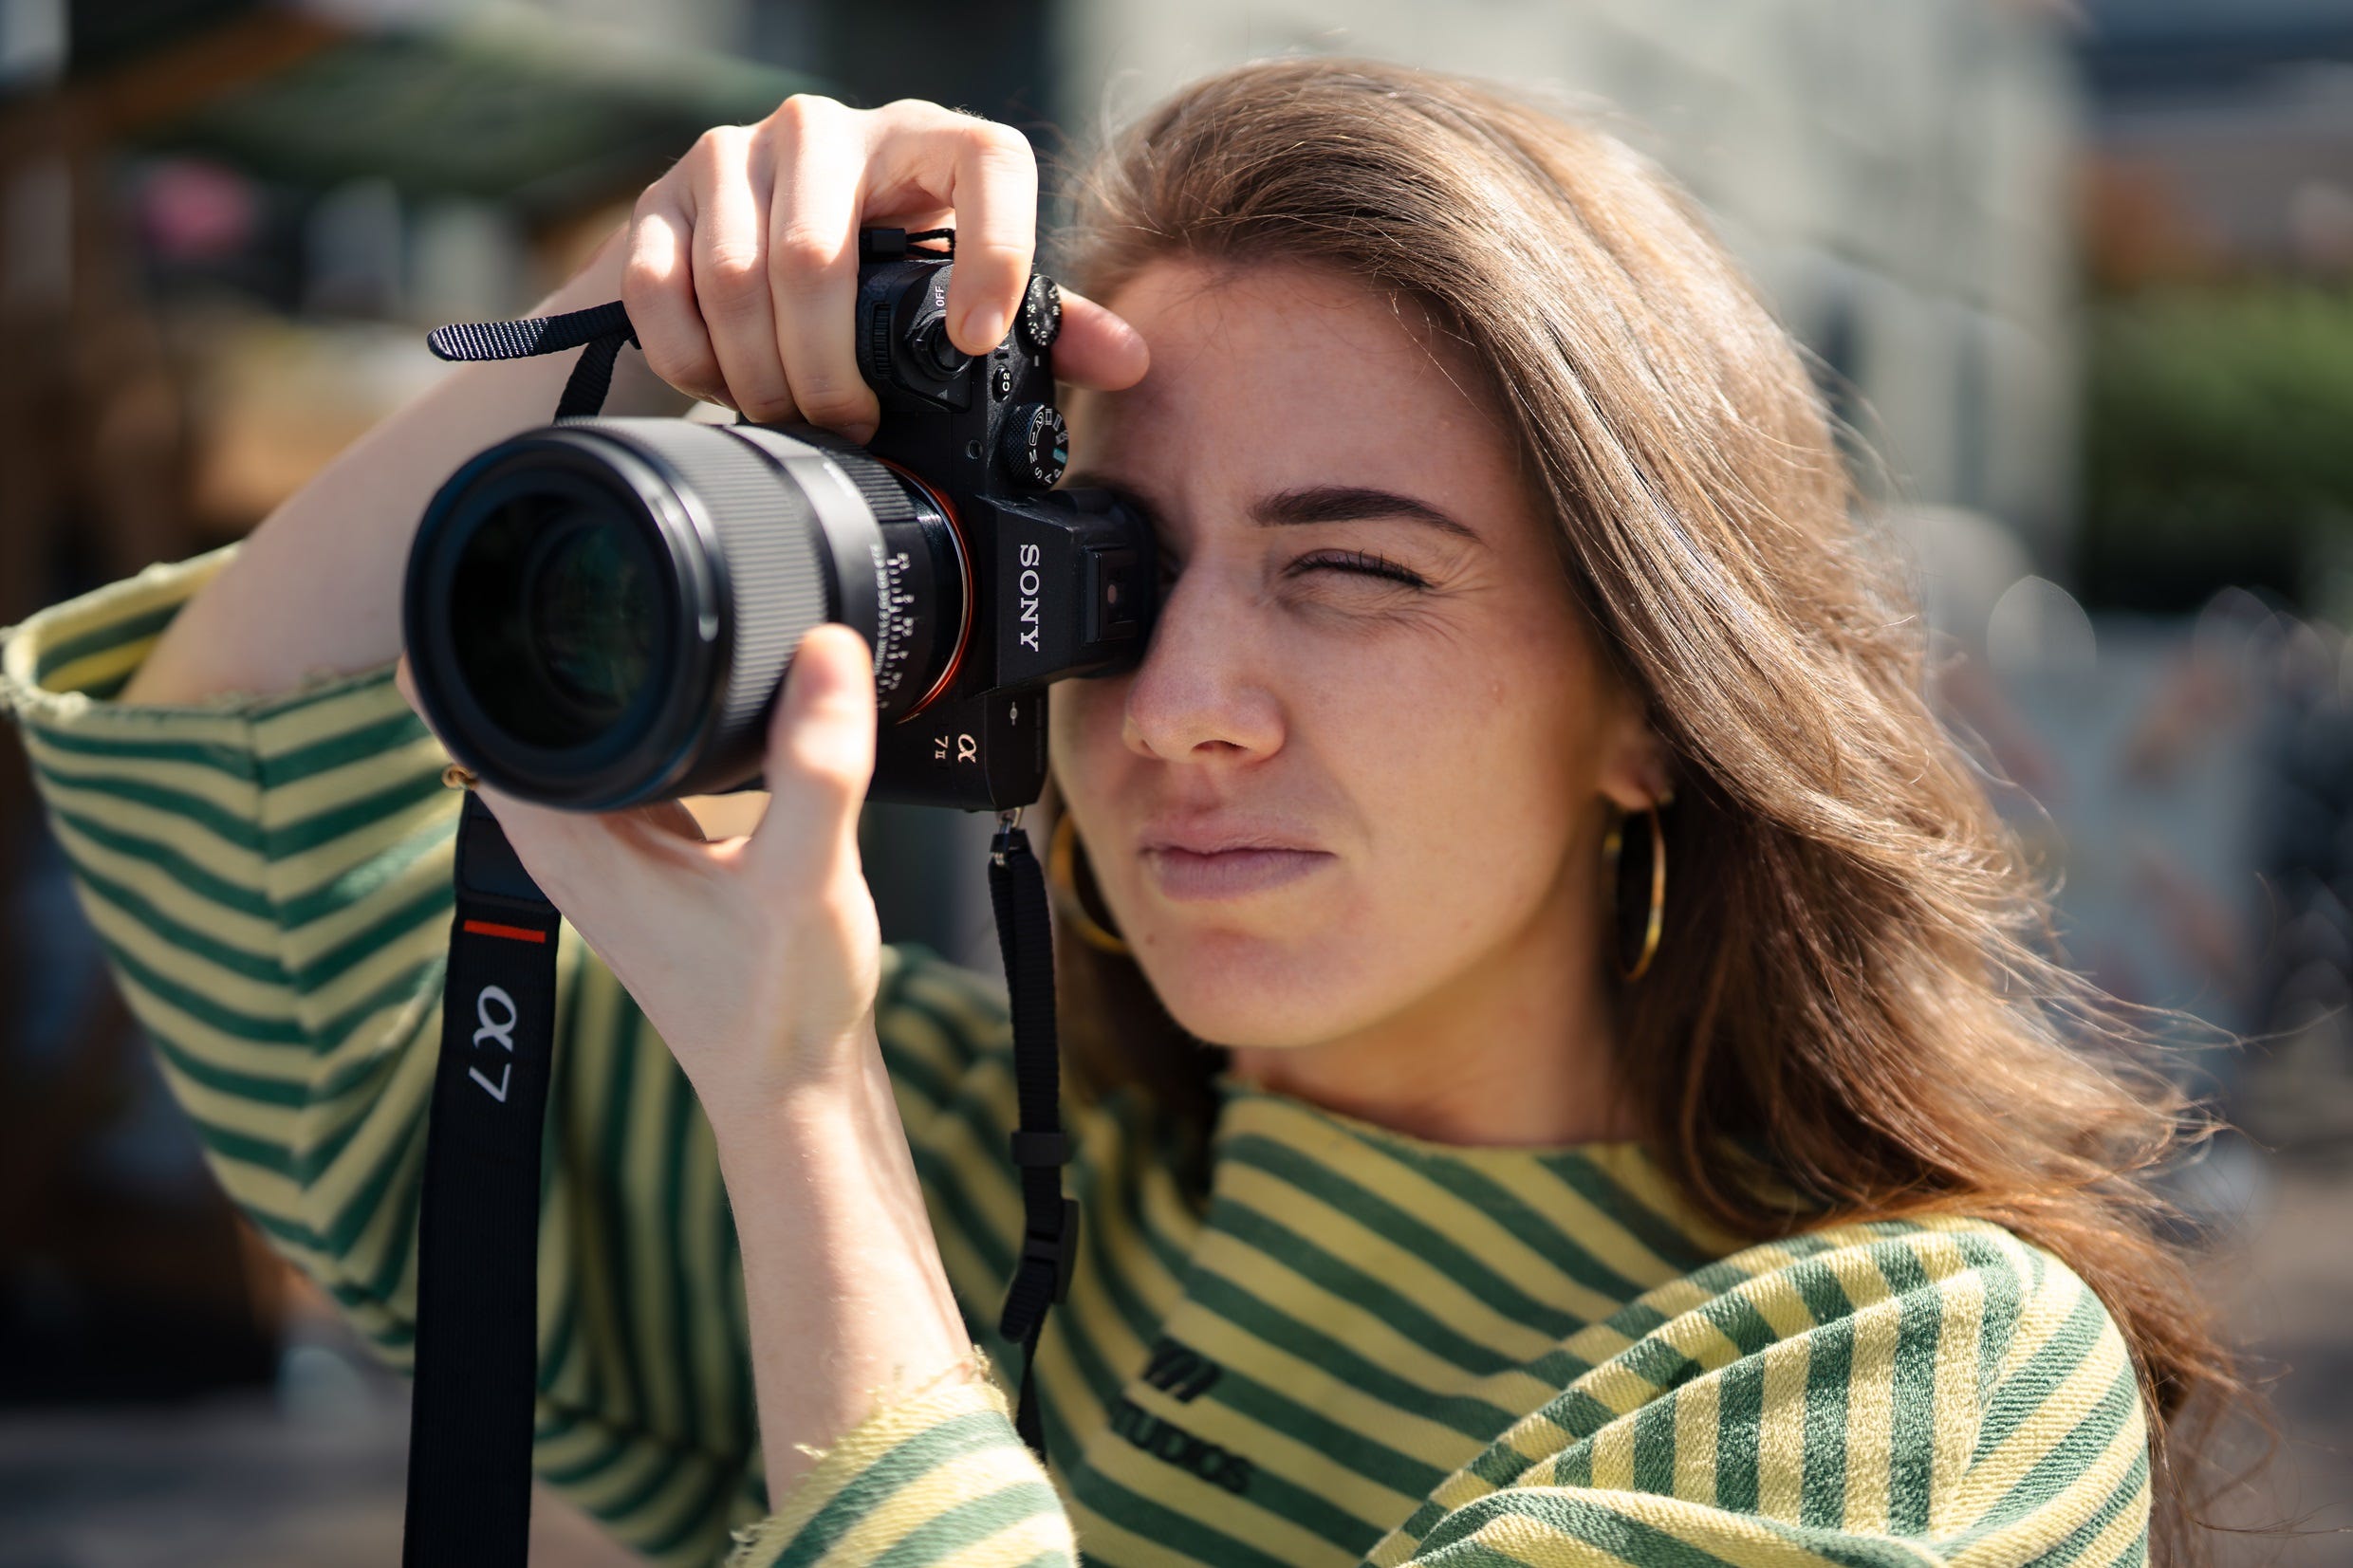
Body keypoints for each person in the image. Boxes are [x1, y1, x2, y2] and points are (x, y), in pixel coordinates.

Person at [0, 58, 2233, 1568]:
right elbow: (246, 841)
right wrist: (628, 313)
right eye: (1109, 571)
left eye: (1350, 569)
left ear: (1653, 698)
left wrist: (804, 1124)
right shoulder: (1013, 1186)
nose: (1177, 706)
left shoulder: (1919, 1373)